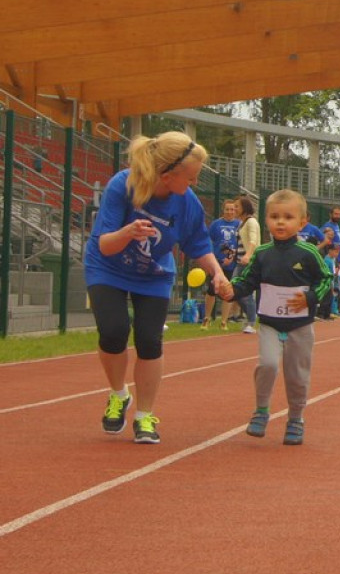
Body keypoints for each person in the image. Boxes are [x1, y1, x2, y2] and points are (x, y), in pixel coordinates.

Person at [85, 131, 232, 444]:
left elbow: (198, 244)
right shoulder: (123, 185)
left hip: (153, 274)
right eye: (190, 178)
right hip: (107, 267)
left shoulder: (187, 203)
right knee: (113, 331)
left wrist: (217, 273)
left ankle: (144, 415)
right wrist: (128, 231)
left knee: (149, 340)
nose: (194, 184)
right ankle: (118, 394)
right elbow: (106, 245)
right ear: (167, 176)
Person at [227, 189, 333, 446]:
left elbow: (326, 280)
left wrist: (310, 298)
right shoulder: (262, 253)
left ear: (302, 222)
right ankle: (262, 410)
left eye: (288, 217)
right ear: (266, 220)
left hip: (300, 325)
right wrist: (228, 290)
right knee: (268, 364)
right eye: (274, 217)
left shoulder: (308, 253)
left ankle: (296, 417)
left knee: (297, 374)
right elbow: (245, 282)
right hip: (270, 324)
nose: (281, 222)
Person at [202, 198, 239, 330]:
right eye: (227, 209)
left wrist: (231, 256)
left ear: (235, 211)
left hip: (231, 264)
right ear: (223, 210)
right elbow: (209, 241)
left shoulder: (239, 225)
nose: (229, 212)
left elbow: (241, 244)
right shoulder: (216, 224)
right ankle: (206, 319)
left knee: (227, 292)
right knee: (211, 291)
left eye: (232, 209)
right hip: (216, 263)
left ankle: (224, 321)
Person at [235, 195, 261, 334]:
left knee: (245, 292)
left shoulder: (251, 222)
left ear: (244, 208)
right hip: (239, 261)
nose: (234, 209)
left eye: (237, 207)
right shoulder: (241, 223)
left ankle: (251, 321)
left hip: (248, 262)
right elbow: (241, 242)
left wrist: (248, 255)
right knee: (235, 291)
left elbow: (253, 240)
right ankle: (250, 317)